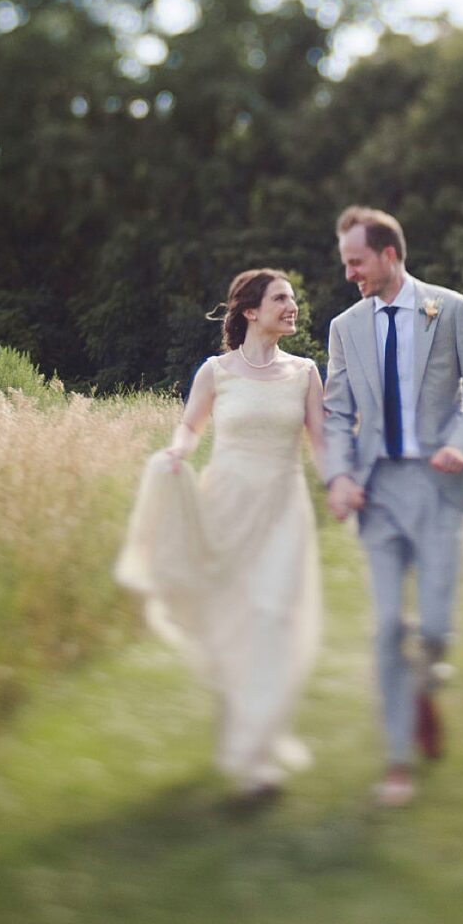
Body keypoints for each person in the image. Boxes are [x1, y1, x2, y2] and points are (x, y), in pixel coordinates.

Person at [322, 207, 463, 807]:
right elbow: (335, 413)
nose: (350, 274)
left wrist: (462, 446)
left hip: (437, 488)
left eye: (356, 262)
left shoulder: (450, 308)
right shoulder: (344, 328)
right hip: (377, 493)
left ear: (388, 254)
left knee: (433, 628)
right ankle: (397, 763)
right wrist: (337, 477)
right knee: (388, 626)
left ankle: (424, 683)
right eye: (345, 263)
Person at [114, 270, 326, 808]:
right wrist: (177, 452)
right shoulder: (217, 372)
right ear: (251, 311)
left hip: (283, 511)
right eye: (282, 299)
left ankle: (256, 767)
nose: (293, 306)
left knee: (274, 614)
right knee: (237, 617)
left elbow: (321, 444)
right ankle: (248, 732)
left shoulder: (305, 373)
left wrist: (344, 487)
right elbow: (190, 427)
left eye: (294, 300)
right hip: (226, 508)